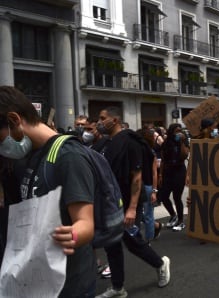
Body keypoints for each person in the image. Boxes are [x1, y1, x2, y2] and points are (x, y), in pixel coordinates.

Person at [0, 86, 96, 297]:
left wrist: (71, 234)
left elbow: (86, 224)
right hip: (40, 280)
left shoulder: (69, 156)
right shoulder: (29, 156)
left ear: (14, 119)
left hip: (70, 283)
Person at [95, 106, 170, 298]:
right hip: (110, 205)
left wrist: (132, 208)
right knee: (111, 245)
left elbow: (137, 177)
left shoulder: (130, 142)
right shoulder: (105, 143)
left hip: (128, 205)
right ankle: (118, 287)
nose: (99, 122)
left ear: (115, 120)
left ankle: (161, 264)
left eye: (103, 118)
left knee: (133, 241)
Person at [158, 123, 190, 231]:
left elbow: (184, 155)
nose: (178, 133)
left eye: (180, 131)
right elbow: (162, 160)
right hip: (167, 171)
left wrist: (181, 141)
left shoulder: (183, 142)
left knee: (177, 197)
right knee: (163, 196)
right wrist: (161, 174)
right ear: (171, 131)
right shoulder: (166, 143)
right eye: (176, 131)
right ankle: (173, 215)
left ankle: (181, 221)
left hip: (179, 171)